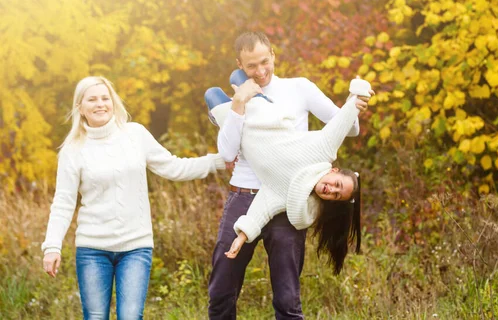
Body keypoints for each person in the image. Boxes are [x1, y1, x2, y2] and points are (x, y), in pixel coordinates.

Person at [206, 31, 372, 319]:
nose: (260, 72)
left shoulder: (300, 89)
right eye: (251, 67)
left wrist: (353, 106)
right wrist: (238, 104)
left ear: (273, 53)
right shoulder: (240, 96)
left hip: (291, 199)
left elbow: (350, 128)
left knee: (287, 295)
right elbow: (228, 153)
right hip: (244, 196)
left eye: (264, 62)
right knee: (222, 288)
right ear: (239, 65)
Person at [41, 76, 226, 320]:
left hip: (136, 247)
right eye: (92, 99)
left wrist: (219, 161)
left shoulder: (135, 134)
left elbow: (173, 167)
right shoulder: (73, 150)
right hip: (92, 248)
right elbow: (63, 202)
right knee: (95, 317)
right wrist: (52, 246)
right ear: (80, 107)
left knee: (130, 317)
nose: (100, 104)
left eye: (105, 98)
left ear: (113, 102)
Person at [205, 73, 371, 275]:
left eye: (336, 195)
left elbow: (261, 210)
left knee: (211, 93)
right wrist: (360, 92)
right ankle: (240, 102)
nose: (331, 190)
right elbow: (344, 120)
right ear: (334, 170)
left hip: (240, 130)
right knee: (237, 75)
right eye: (337, 184)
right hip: (263, 111)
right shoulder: (323, 150)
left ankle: (229, 112)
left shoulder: (290, 196)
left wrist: (241, 237)